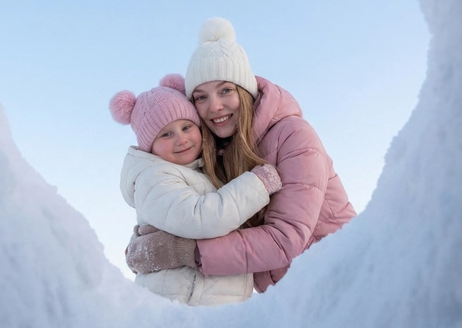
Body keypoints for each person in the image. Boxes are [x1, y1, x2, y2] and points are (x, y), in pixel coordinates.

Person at [126, 18, 357, 294]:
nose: (215, 106)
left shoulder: (295, 136)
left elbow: (285, 240)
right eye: (201, 97)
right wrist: (148, 242)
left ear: (245, 91)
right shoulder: (216, 153)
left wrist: (183, 251)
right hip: (291, 298)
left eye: (226, 90)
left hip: (346, 280)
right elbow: (196, 212)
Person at [110, 73, 282, 306]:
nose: (181, 139)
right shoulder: (154, 178)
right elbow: (202, 218)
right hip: (181, 306)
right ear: (150, 146)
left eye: (186, 127)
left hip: (210, 303)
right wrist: (258, 184)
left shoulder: (198, 172)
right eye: (166, 134)